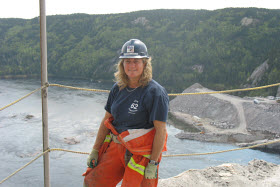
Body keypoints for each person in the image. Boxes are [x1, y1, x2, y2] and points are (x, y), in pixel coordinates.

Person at [83, 39, 169, 187]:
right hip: (116, 147)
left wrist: (153, 163)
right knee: (92, 183)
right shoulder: (118, 88)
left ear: (145, 64)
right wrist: (95, 150)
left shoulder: (155, 93)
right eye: (127, 61)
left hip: (140, 154)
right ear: (122, 65)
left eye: (136, 61)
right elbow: (106, 120)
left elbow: (161, 131)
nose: (131, 65)